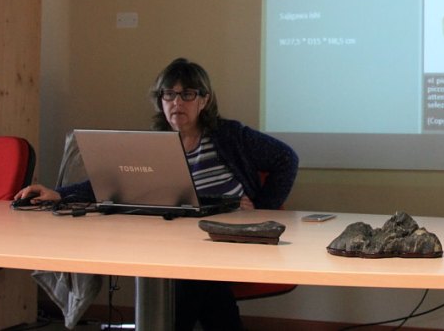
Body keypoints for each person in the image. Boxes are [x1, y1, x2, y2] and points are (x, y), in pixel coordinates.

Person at [16, 57, 300, 331]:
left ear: (204, 100)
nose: (177, 102)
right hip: (178, 240)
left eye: (187, 94)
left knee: (190, 278)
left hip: (229, 236)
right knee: (197, 282)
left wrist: (262, 208)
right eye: (169, 94)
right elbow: (110, 183)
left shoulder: (230, 135)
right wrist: (58, 194)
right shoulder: (156, 145)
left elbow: (287, 159)